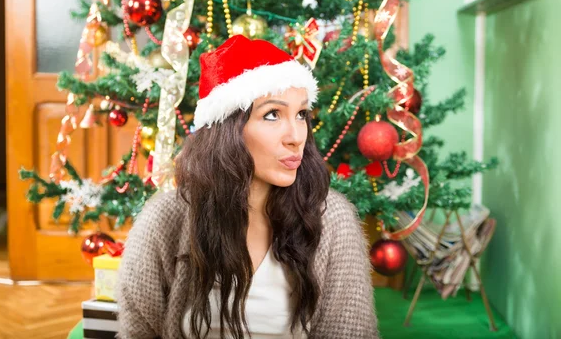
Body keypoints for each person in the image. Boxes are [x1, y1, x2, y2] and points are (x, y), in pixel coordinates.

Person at [116, 35, 379, 339]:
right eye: (272, 115)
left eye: (302, 114)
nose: (296, 136)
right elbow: (138, 332)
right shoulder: (165, 219)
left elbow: (350, 331)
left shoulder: (331, 219)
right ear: (226, 130)